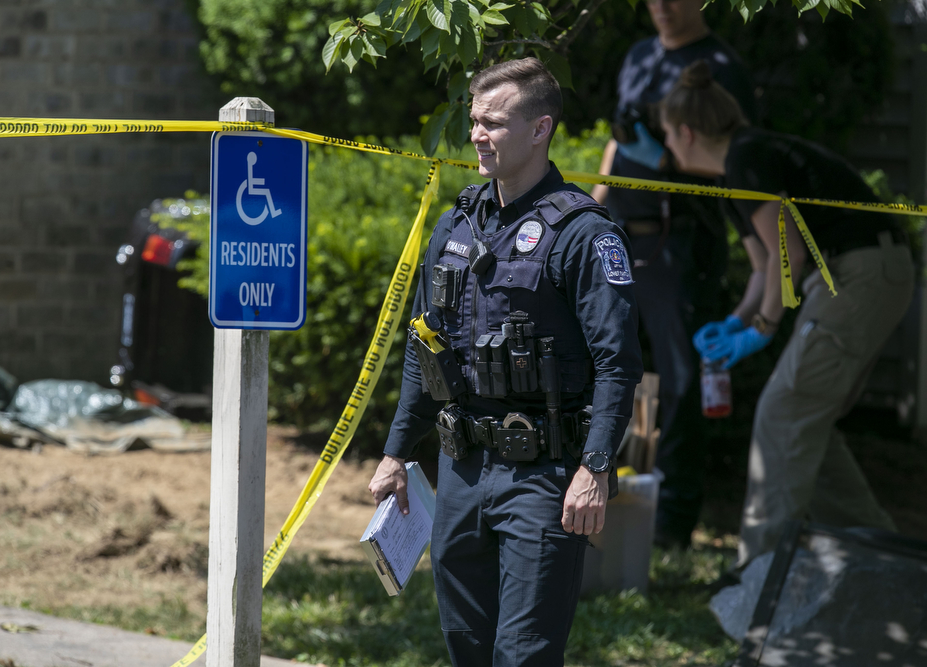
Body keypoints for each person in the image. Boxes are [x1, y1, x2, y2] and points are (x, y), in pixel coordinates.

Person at [368, 57, 643, 666]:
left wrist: (594, 468)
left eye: (493, 122)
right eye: (474, 121)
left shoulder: (584, 233)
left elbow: (618, 364)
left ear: (540, 128)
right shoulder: (457, 223)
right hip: (461, 468)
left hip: (543, 476)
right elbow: (424, 347)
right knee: (466, 645)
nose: (477, 134)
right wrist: (396, 452)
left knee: (523, 653)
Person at [659, 60, 913, 569]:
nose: (666, 147)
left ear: (686, 133)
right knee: (805, 418)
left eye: (667, 136)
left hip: (858, 273)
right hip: (857, 274)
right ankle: (884, 564)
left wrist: (762, 329)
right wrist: (736, 320)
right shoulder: (736, 171)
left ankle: (758, 587)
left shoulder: (747, 159)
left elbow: (787, 256)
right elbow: (762, 269)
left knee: (783, 412)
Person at [592, 0, 757, 548]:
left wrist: (665, 162)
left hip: (682, 241)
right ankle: (595, 501)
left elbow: (733, 155)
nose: (661, 6)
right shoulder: (639, 55)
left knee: (683, 380)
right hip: (619, 230)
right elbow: (618, 139)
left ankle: (671, 524)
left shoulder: (721, 65)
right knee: (601, 365)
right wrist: (591, 212)